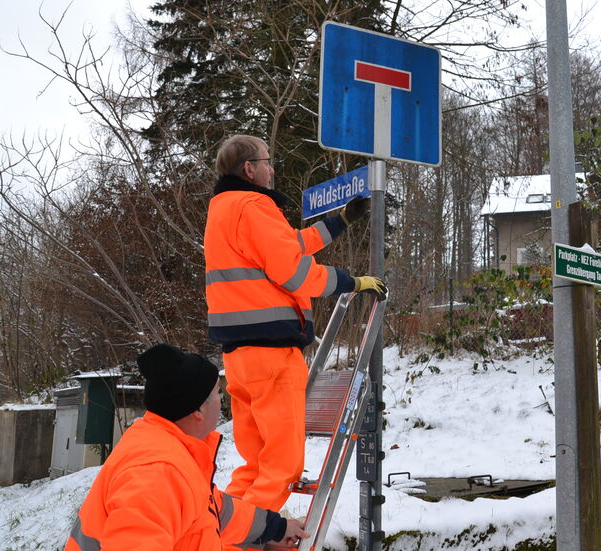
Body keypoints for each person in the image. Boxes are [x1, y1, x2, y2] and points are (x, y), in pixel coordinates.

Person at [204, 135, 387, 512]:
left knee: (255, 466)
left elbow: (290, 244)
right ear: (249, 169)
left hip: (239, 359)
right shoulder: (254, 205)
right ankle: (248, 540)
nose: (273, 169)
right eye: (268, 162)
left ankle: (219, 534)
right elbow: (293, 271)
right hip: (271, 355)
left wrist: (339, 222)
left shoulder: (223, 208)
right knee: (282, 469)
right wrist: (349, 282)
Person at [64, 344, 309, 551]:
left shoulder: (171, 450)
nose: (221, 403)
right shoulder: (157, 474)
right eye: (217, 396)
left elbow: (217, 511)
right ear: (198, 410)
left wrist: (276, 529)